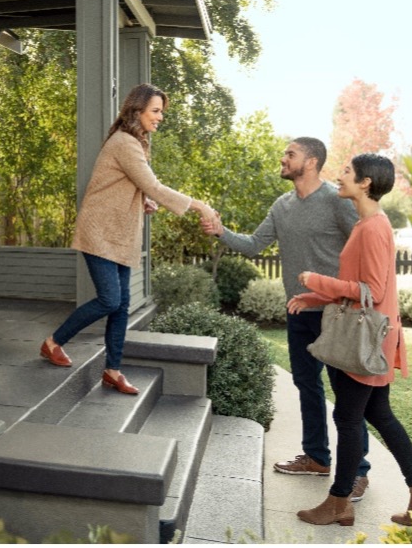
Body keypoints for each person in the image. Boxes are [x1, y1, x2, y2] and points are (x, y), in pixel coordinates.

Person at [202, 137, 373, 499]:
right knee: (307, 387)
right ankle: (316, 457)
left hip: (337, 312)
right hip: (299, 311)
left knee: (347, 395)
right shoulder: (282, 205)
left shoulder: (336, 200)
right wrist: (220, 231)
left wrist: (346, 291)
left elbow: (362, 245)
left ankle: (358, 470)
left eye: (290, 154)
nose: (283, 159)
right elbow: (253, 244)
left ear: (310, 162)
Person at [288, 153, 412, 526]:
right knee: (379, 414)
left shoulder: (373, 227)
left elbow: (372, 290)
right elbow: (363, 288)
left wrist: (316, 281)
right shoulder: (369, 224)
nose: (339, 177)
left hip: (369, 339)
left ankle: (339, 501)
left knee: (347, 416)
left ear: (365, 182)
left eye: (346, 172)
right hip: (376, 334)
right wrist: (315, 297)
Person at [39, 83, 215, 395]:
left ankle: (113, 370)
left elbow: (134, 184)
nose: (161, 117)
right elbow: (154, 185)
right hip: (100, 232)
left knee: (121, 307)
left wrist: (143, 199)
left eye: (162, 111)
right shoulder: (125, 143)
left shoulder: (135, 142)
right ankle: (53, 342)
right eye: (156, 111)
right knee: (110, 300)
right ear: (137, 111)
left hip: (118, 234)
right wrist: (198, 205)